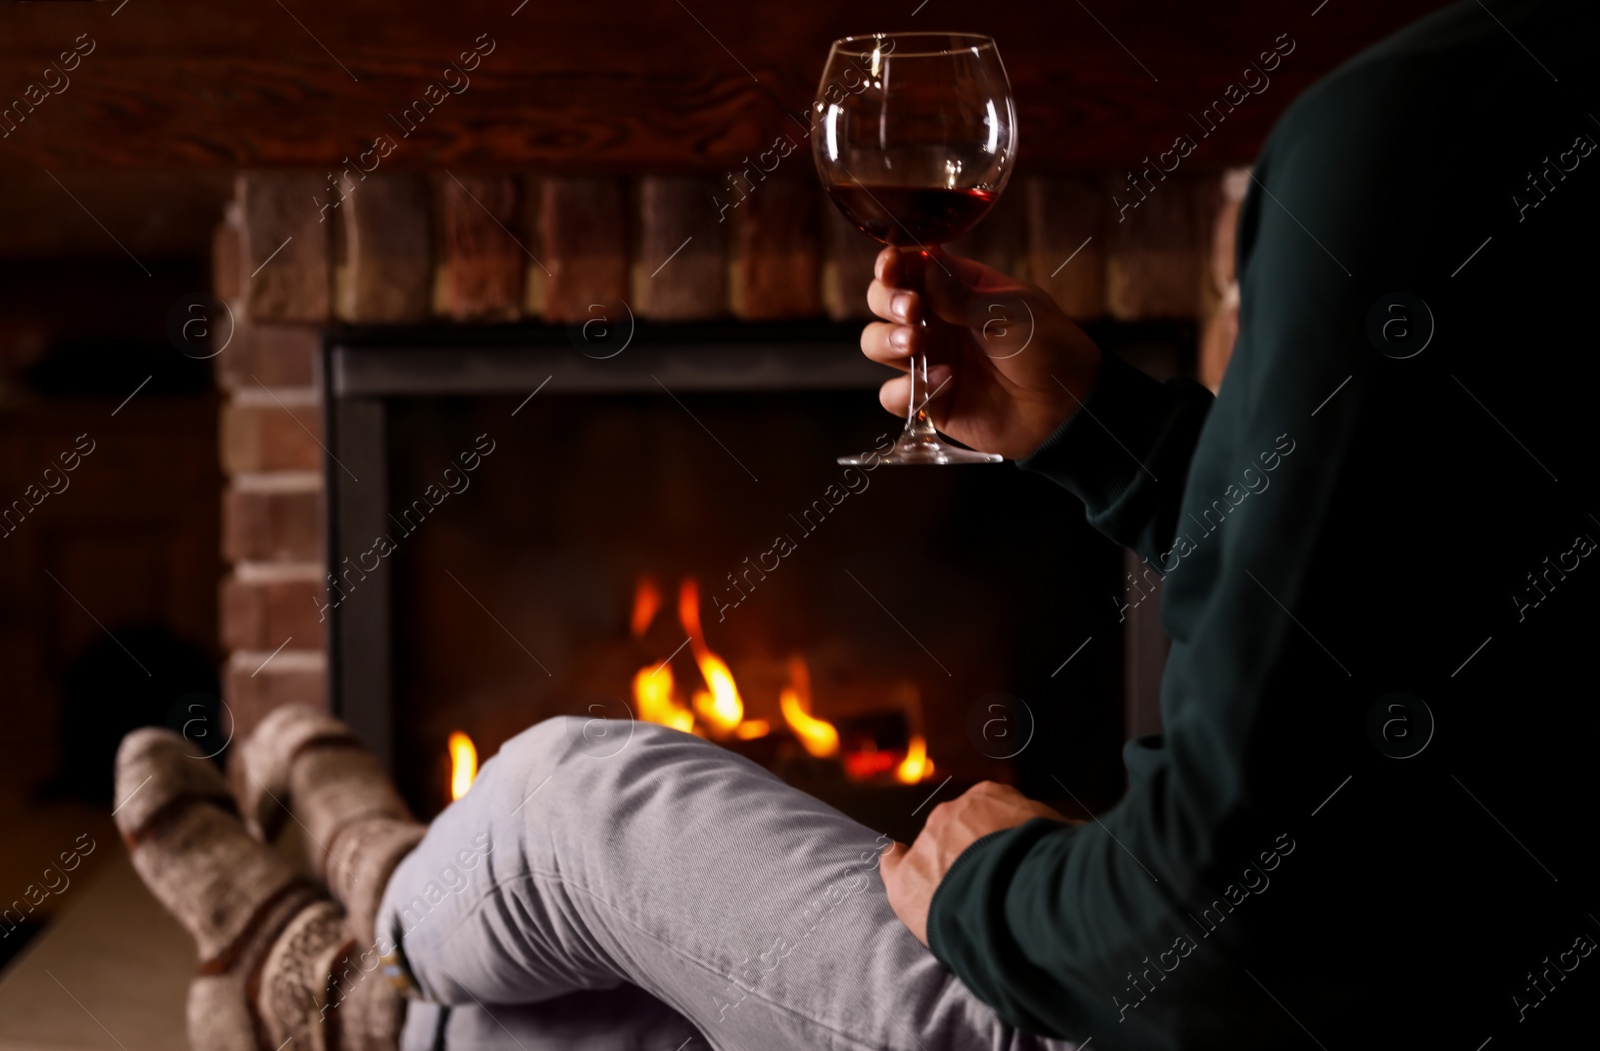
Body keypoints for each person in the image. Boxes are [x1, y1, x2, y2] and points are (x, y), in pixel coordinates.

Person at [118, 0, 1597, 1047]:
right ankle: (353, 978)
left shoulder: (1419, 128)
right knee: (658, 1015)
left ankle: (356, 916)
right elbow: (1390, 614)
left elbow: (1209, 942)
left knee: (568, 797)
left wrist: (995, 893)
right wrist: (1107, 432)